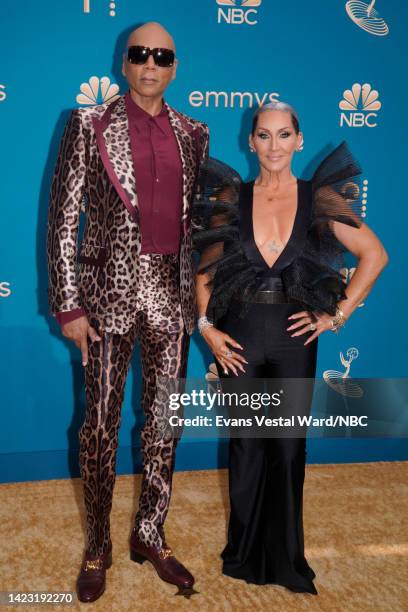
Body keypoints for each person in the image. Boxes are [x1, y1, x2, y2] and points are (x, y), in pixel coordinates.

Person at [193, 101, 388, 594]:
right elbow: (204, 273)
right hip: (238, 335)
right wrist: (207, 329)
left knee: (286, 448)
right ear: (251, 141)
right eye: (264, 135)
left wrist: (336, 315)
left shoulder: (317, 198)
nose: (274, 145)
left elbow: (375, 255)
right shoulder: (230, 196)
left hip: (293, 338)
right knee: (246, 447)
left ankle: (286, 558)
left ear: (299, 141)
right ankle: (241, 554)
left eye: (284, 135)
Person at [47, 22, 209, 603]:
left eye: (161, 55)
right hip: (106, 299)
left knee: (166, 424)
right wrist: (68, 304)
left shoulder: (195, 133)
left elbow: (199, 226)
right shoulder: (88, 125)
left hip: (172, 299)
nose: (150, 63)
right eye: (139, 53)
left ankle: (149, 532)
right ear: (124, 63)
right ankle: (98, 544)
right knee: (99, 428)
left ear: (174, 65)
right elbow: (64, 221)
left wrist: (204, 303)